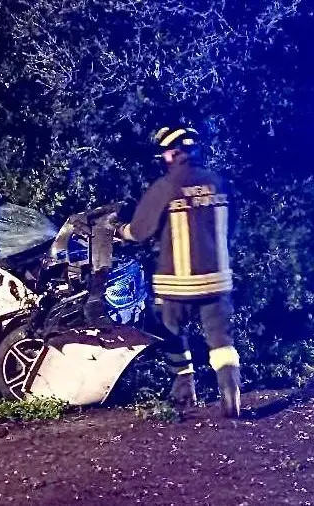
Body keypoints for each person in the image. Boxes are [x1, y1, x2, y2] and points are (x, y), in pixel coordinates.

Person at [113, 124, 242, 418]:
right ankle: (231, 393)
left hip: (177, 284)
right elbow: (231, 227)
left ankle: (184, 391)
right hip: (218, 280)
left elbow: (141, 230)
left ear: (173, 154)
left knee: (171, 332)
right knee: (221, 340)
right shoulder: (220, 183)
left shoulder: (166, 186)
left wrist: (119, 231)